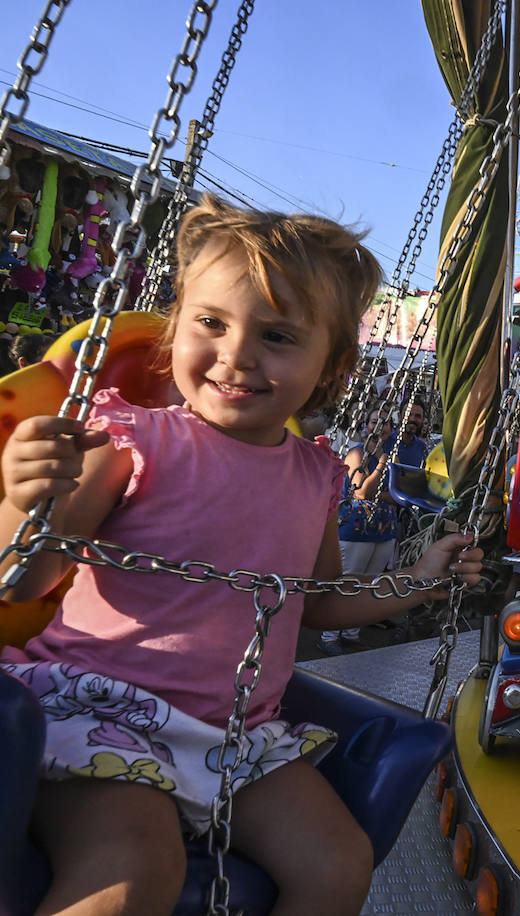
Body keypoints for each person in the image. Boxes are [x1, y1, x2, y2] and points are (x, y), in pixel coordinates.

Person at [0, 196, 483, 916]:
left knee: (339, 863)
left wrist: (417, 583)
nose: (236, 356)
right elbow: (25, 577)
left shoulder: (317, 475)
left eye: (279, 336)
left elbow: (315, 602)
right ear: (177, 325)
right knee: (134, 871)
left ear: (332, 366)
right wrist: (25, 496)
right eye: (211, 323)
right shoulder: (129, 440)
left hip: (241, 738)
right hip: (103, 710)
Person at [319, 406, 398, 654]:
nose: (379, 426)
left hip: (384, 530)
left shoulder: (391, 454)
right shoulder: (357, 453)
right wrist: (382, 465)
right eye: (375, 420)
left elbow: (397, 494)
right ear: (366, 425)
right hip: (355, 529)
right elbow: (362, 491)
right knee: (346, 582)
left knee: (369, 584)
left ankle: (352, 633)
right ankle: (329, 636)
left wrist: (384, 493)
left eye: (385, 422)